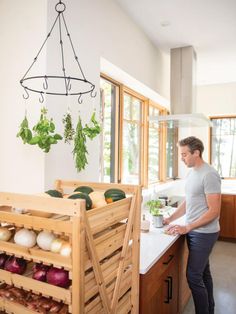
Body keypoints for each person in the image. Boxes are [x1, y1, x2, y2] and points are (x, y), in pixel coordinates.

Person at [164, 136, 221, 314]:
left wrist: (188, 227)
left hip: (204, 233)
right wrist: (170, 218)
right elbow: (189, 202)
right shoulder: (192, 172)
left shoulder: (209, 174)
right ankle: (209, 309)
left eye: (185, 154)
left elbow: (214, 211)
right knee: (203, 273)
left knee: (193, 276)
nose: (182, 158)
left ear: (196, 152)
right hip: (195, 231)